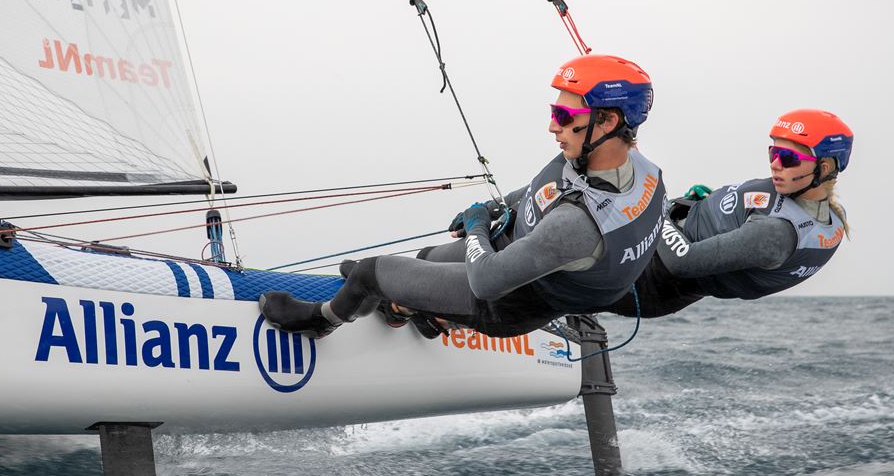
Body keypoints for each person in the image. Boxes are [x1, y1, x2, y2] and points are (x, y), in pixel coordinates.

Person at [260, 54, 667, 338]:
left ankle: (322, 320)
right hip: (524, 250)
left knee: (369, 272)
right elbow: (542, 191)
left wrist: (476, 225)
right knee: (423, 260)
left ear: (608, 120)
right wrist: (495, 208)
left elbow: (487, 280)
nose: (551, 126)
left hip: (504, 300)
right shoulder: (633, 167)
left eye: (563, 116)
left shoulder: (575, 226)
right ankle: (416, 315)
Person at [604, 108, 854, 318]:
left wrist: (655, 206)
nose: (775, 164)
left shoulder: (777, 234)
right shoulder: (811, 207)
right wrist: (708, 202)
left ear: (824, 168)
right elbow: (743, 221)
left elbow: (682, 261)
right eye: (773, 153)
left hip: (648, 277)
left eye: (788, 158)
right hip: (653, 245)